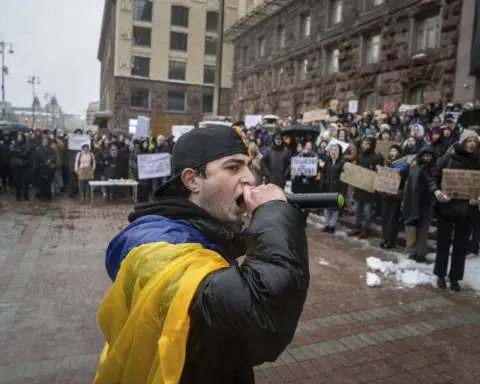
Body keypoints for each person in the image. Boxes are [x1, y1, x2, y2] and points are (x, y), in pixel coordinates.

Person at [95, 126, 309, 384]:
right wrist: (274, 214)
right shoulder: (159, 248)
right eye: (233, 167)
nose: (250, 179)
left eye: (248, 166)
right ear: (192, 180)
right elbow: (259, 319)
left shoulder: (205, 233)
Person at [429, 130, 480, 291]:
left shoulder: (478, 160)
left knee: (461, 245)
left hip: (467, 210)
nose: (472, 144)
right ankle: (441, 275)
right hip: (447, 208)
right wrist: (437, 192)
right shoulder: (448, 157)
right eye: (469, 141)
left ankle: (455, 278)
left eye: (475, 141)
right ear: (462, 142)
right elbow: (434, 178)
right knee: (443, 243)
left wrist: (478, 199)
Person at [10, 133, 31, 201]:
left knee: (25, 182)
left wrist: (19, 154)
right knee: (17, 182)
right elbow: (13, 153)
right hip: (16, 166)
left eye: (21, 137)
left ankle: (26, 196)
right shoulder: (13, 145)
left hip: (25, 165)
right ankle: (18, 196)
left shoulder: (27, 145)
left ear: (23, 137)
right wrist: (20, 153)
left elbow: (26, 155)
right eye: (18, 137)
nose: (19, 138)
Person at [35, 136, 57, 201]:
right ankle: (42, 194)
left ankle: (48, 195)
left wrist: (51, 162)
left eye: (46, 140)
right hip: (41, 168)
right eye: (44, 140)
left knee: (48, 183)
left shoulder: (52, 149)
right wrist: (43, 163)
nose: (45, 142)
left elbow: (54, 158)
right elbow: (36, 160)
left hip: (49, 169)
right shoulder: (39, 150)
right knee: (42, 183)